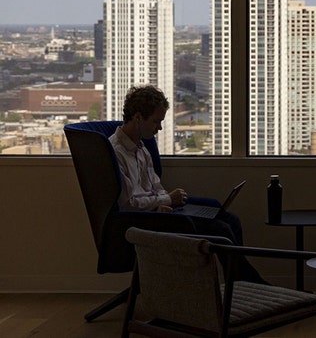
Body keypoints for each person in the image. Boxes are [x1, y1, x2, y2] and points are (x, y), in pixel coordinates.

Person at [110, 85, 265, 283]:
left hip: (158, 211)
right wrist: (166, 199)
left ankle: (239, 283)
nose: (159, 128)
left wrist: (165, 201)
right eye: (156, 121)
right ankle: (249, 284)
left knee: (229, 219)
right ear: (138, 117)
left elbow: (155, 185)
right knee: (221, 231)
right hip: (143, 221)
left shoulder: (141, 147)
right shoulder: (116, 152)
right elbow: (128, 204)